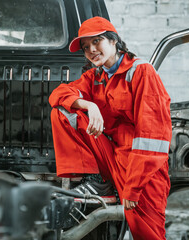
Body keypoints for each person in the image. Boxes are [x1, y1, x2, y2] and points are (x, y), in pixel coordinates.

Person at [49, 16, 172, 239]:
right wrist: (89, 105)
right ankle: (98, 183)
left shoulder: (142, 72)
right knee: (63, 112)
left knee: (147, 233)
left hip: (142, 167)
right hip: (111, 156)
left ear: (114, 41)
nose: (91, 50)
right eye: (86, 47)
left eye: (97, 42)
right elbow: (58, 95)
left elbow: (153, 137)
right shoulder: (95, 77)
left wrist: (134, 187)